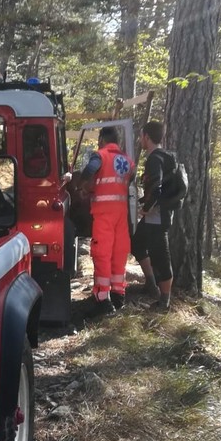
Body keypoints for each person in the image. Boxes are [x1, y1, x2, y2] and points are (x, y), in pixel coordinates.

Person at [78, 126, 136, 315]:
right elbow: (130, 177)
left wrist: (83, 185)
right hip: (121, 215)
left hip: (104, 214)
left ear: (102, 139)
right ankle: (119, 294)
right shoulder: (127, 160)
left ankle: (103, 299)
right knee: (119, 254)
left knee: (102, 254)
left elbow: (90, 170)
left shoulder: (100, 156)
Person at [131, 121, 175, 311]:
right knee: (137, 244)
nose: (141, 139)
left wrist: (147, 207)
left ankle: (164, 302)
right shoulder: (164, 157)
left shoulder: (155, 159)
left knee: (161, 257)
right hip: (156, 216)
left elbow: (156, 185)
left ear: (147, 137)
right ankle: (151, 285)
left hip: (158, 217)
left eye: (141, 136)